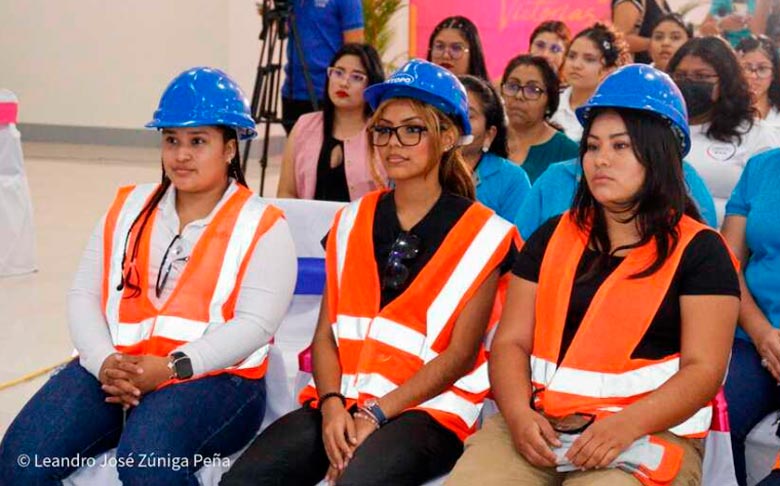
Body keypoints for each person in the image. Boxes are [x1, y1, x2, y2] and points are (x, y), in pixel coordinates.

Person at [221, 59, 519, 486]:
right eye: (383, 129)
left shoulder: (486, 234)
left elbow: (460, 357)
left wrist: (375, 415)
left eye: (412, 129)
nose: (393, 143)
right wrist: (330, 406)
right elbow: (325, 335)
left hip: (430, 411)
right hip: (343, 400)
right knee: (243, 480)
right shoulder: (351, 220)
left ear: (449, 136)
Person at [447, 63, 741, 486]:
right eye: (593, 146)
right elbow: (511, 341)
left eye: (621, 147)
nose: (600, 159)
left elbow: (703, 370)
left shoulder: (701, 251)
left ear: (659, 154)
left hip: (647, 432)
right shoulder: (553, 236)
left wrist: (625, 425)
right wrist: (518, 415)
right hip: (541, 426)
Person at [0, 67, 297, 485]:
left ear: (230, 148)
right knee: (20, 461)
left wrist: (172, 368)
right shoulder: (129, 207)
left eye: (198, 142)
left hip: (219, 380)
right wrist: (105, 362)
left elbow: (254, 326)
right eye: (171, 140)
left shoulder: (264, 225)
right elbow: (84, 293)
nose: (181, 155)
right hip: (116, 369)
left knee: (146, 461)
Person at [668, 36, 780, 225]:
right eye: (681, 76)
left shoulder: (756, 135)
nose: (689, 83)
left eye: (701, 76)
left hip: (728, 244)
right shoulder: (661, 128)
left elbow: (766, 209)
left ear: (726, 80)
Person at [721, 147, 780, 486]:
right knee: (719, 411)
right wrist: (762, 335)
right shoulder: (761, 167)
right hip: (753, 336)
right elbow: (729, 266)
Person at [277, 43, 387, 202]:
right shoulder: (304, 125)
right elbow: (286, 192)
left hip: (365, 225)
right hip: (309, 225)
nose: (344, 83)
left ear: (371, 85)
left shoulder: (382, 133)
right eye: (338, 73)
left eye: (356, 77)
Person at [281, 0, 365, 134]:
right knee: (297, 149)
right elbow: (283, 30)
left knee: (323, 149)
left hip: (326, 92)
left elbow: (355, 51)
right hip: (293, 90)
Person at [459, 74, 532, 222]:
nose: (457, 121)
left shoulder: (512, 179)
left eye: (468, 115)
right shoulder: (418, 164)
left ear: (489, 135)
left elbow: (516, 241)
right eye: (451, 111)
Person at [501, 55, 579, 184]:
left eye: (533, 90)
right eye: (512, 86)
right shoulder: (489, 139)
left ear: (549, 101)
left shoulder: (567, 152)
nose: (519, 95)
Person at [551, 23, 631, 142]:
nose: (576, 65)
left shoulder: (617, 113)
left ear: (609, 70)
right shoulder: (550, 103)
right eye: (572, 56)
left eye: (589, 59)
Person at [737, 35, 780, 129]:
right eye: (746, 68)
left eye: (762, 68)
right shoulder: (723, 115)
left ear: (774, 73)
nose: (753, 76)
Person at [700, 0, 773, 48]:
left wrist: (749, 23)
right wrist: (720, 24)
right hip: (728, 49)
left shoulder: (762, 2)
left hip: (757, 48)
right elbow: (703, 30)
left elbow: (758, 33)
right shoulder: (723, 2)